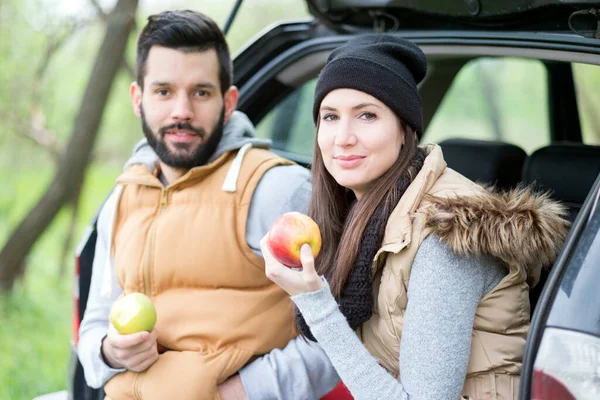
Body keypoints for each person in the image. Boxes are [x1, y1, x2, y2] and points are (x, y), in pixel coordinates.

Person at [262, 34, 570, 399]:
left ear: (404, 130)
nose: (342, 137)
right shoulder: (362, 214)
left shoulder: (446, 236)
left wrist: (316, 303)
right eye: (330, 116)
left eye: (366, 115)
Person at [77, 10, 340, 400]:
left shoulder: (276, 190)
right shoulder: (123, 197)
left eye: (200, 92)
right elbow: (95, 322)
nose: (181, 110)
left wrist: (236, 394)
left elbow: (336, 333)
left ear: (228, 101)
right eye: (164, 91)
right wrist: (110, 351)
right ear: (138, 98)